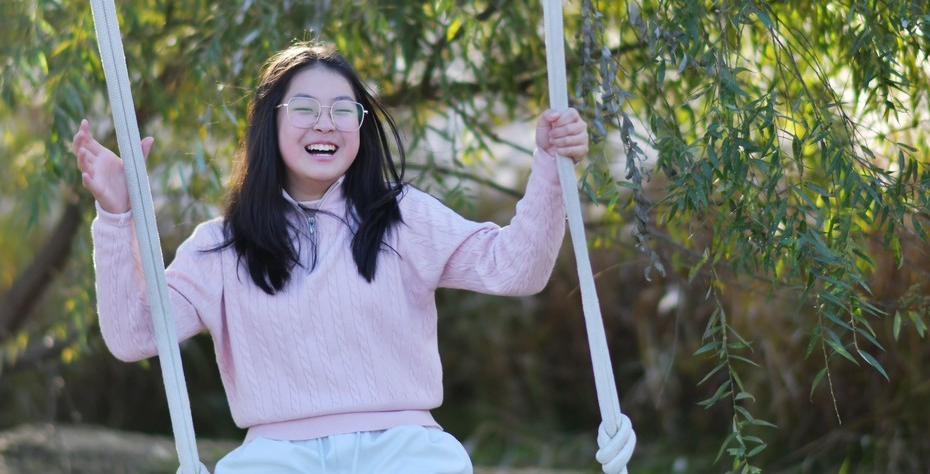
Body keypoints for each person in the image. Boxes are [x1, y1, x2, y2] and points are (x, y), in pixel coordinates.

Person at [72, 42, 589, 473]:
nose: (326, 124)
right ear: (270, 124)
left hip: (404, 451)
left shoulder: (404, 217)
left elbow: (516, 269)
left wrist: (550, 163)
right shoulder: (222, 246)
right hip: (276, 457)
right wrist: (117, 216)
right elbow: (134, 335)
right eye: (305, 109)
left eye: (343, 110)